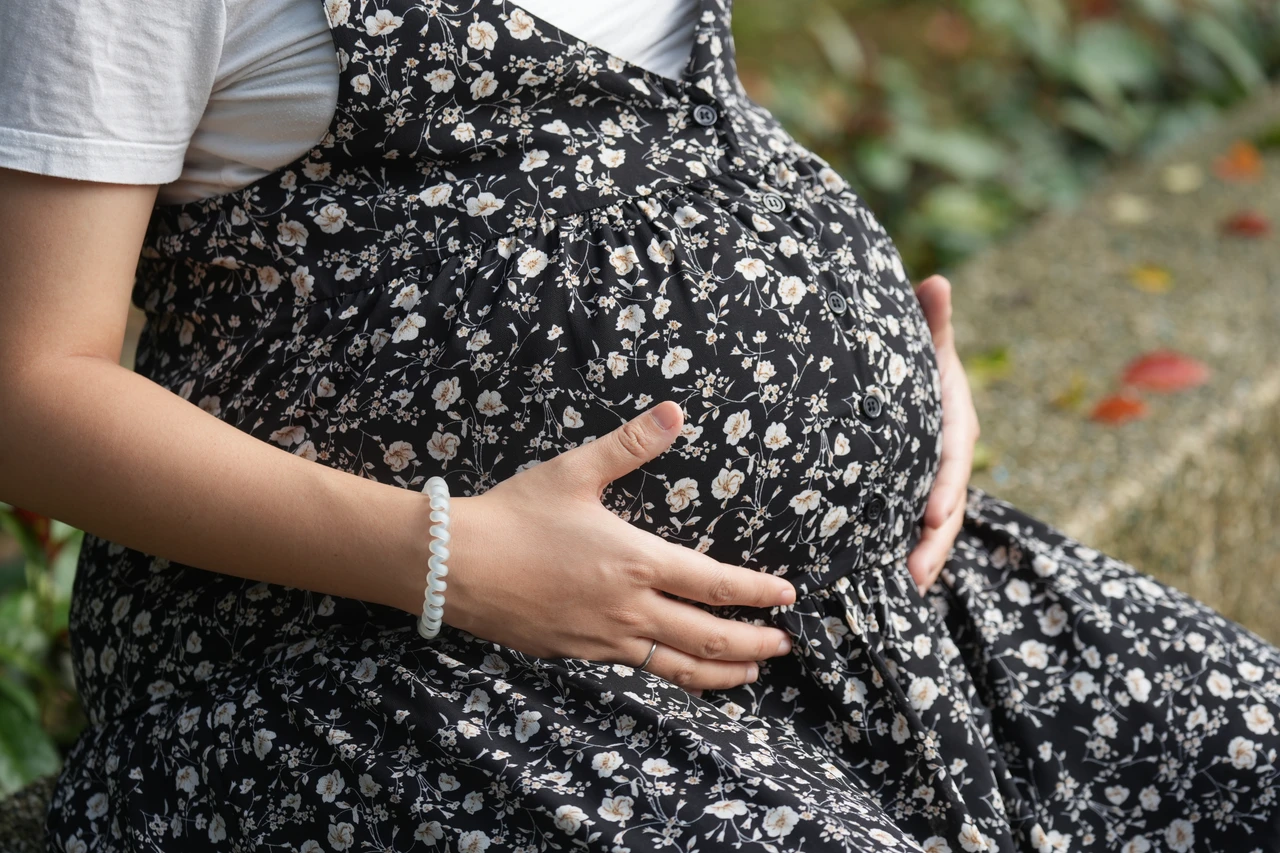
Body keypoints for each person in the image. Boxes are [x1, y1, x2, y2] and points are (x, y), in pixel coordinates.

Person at [1, 1, 1277, 851]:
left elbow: (645, 134)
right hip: (384, 668)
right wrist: (449, 555)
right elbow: (27, 381)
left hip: (844, 618)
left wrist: (876, 360)